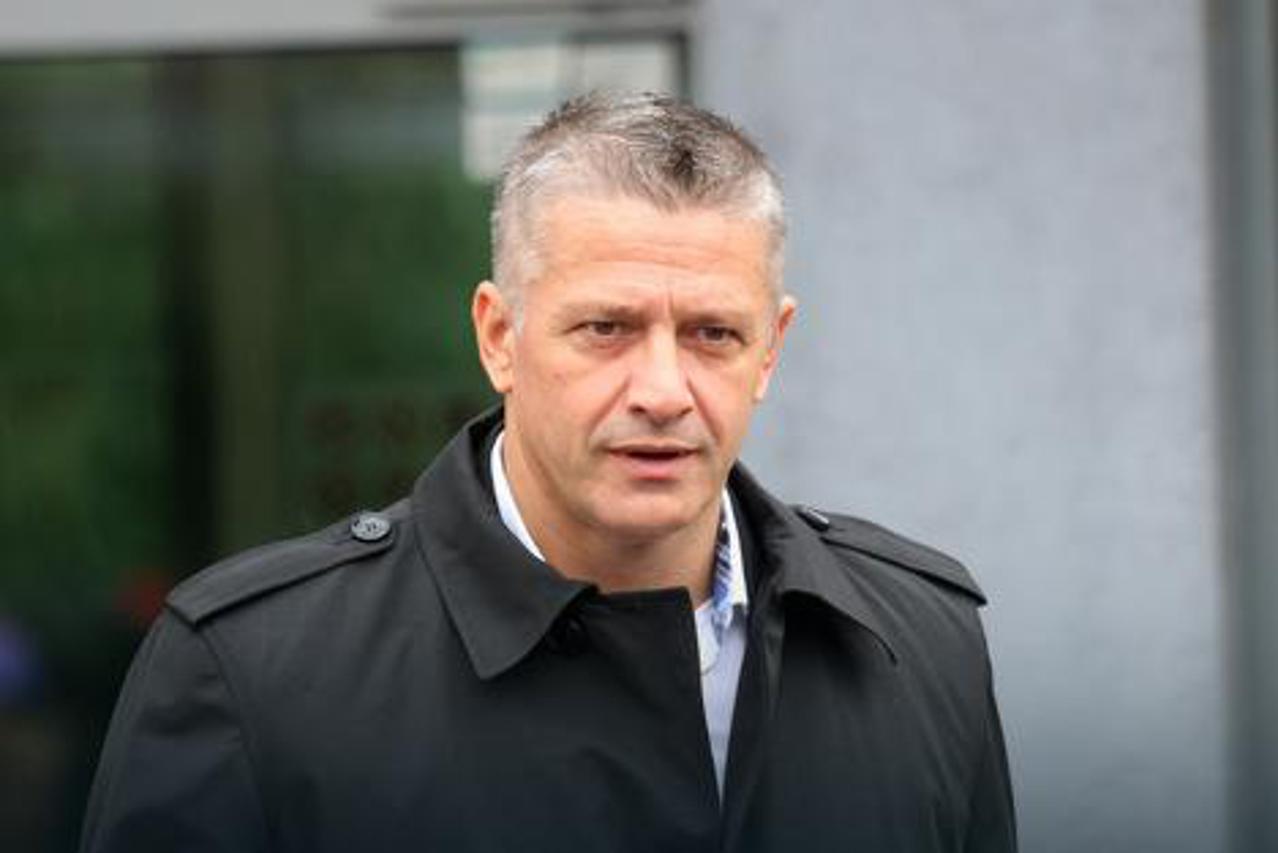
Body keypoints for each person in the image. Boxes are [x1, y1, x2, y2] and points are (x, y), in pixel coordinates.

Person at [80, 92, 1016, 852]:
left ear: (770, 350)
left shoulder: (920, 643)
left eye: (712, 334)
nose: (663, 390)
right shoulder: (254, 673)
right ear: (499, 336)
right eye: (606, 328)